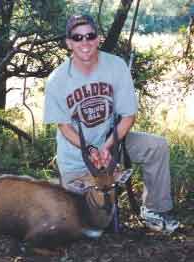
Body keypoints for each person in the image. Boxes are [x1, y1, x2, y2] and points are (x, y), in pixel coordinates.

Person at [43, 14, 179, 234]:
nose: (84, 42)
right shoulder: (57, 79)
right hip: (77, 158)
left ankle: (155, 210)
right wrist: (90, 150)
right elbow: (64, 127)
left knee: (156, 146)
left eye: (90, 35)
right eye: (77, 38)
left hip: (112, 144)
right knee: (83, 225)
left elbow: (128, 116)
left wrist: (106, 147)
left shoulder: (116, 66)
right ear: (69, 43)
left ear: (98, 39)